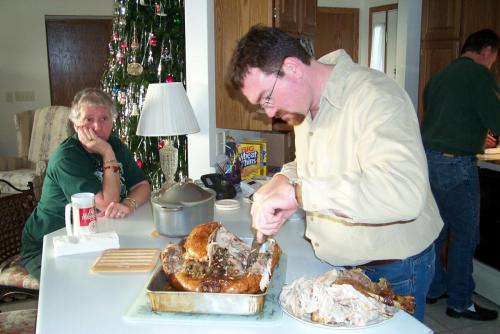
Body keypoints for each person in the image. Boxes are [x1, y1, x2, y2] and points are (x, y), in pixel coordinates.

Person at [228, 25, 443, 321]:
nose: (268, 113)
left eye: (267, 98)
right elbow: (310, 163)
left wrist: (299, 193)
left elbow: (404, 191)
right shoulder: (305, 106)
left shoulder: (376, 96)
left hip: (393, 270)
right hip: (337, 263)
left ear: (291, 68)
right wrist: (283, 179)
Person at [21, 88, 151, 280]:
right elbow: (106, 203)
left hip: (97, 234)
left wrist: (128, 205)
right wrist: (107, 153)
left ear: (112, 121)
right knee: (84, 285)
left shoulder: (115, 145)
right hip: (51, 242)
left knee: (132, 270)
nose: (97, 127)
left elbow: (142, 185)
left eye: (104, 118)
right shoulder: (67, 158)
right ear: (76, 124)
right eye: (89, 119)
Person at [421, 29, 500, 321]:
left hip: (429, 163)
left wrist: (477, 137)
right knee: (466, 236)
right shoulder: (479, 74)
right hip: (457, 167)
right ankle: (460, 301)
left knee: (437, 233)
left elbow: (446, 123)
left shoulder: (439, 77)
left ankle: (434, 287)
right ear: (488, 50)